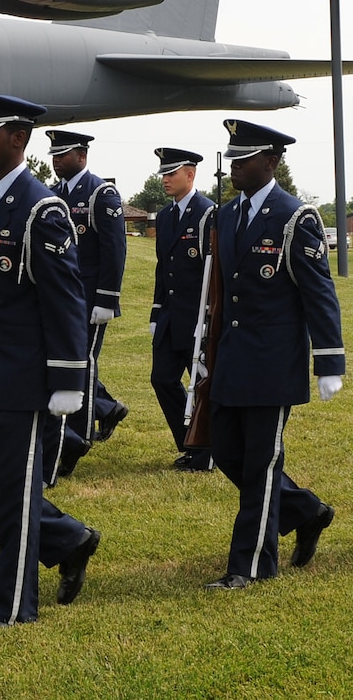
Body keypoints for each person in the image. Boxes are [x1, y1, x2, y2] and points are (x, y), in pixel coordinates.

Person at [0, 91, 99, 627]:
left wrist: (67, 378)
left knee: (16, 493)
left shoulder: (42, 208)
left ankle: (13, 607)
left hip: (25, 376)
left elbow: (66, 298)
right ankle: (68, 538)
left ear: (19, 138)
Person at [201, 119, 345, 590]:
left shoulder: (294, 217)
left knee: (261, 462)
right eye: (232, 158)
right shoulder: (224, 216)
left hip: (272, 360)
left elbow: (318, 293)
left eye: (244, 159)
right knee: (223, 451)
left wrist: (329, 360)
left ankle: (250, 566)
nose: (235, 166)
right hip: (231, 358)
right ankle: (306, 511)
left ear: (272, 161)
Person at [46, 128, 128, 479]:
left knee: (81, 363)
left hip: (89, 297)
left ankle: (75, 440)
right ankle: (107, 408)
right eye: (54, 154)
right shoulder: (52, 194)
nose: (56, 160)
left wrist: (107, 298)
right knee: (63, 361)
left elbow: (114, 249)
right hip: (61, 297)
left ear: (82, 156)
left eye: (63, 154)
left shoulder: (100, 193)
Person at [148, 147, 216, 472]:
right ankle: (189, 443)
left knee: (202, 384)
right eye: (163, 173)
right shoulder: (164, 216)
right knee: (162, 379)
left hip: (198, 318)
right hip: (171, 317)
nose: (165, 179)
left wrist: (210, 318)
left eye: (171, 173)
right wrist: (155, 311)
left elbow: (214, 272)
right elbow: (164, 268)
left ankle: (206, 452)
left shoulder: (207, 215)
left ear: (190, 174)